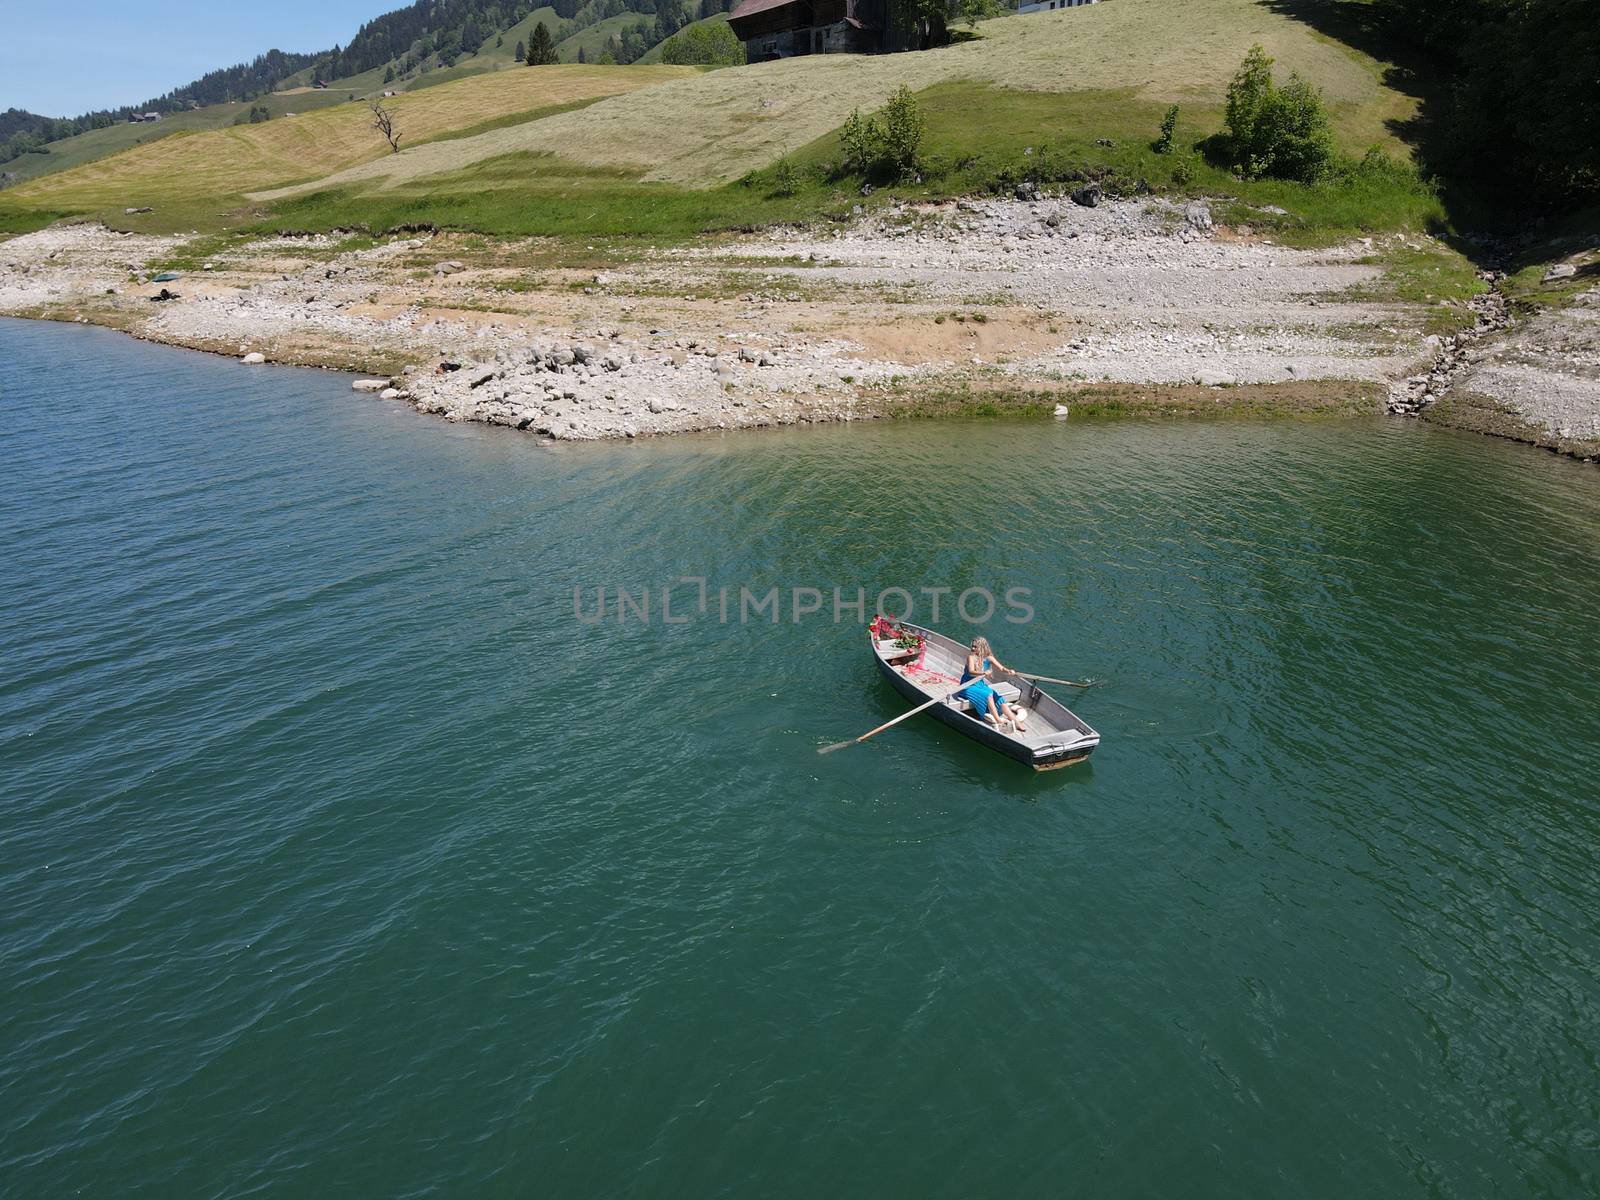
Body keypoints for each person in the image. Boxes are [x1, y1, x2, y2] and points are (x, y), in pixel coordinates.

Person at [959, 636, 1028, 733]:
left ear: (982, 647)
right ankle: (999, 721)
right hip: (968, 685)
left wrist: (1009, 671)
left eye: (975, 647)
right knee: (988, 694)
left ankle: (1016, 721)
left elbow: (1002, 668)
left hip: (980, 685)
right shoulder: (971, 657)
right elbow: (971, 672)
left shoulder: (989, 658)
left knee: (1000, 699)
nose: (972, 648)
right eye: (972, 646)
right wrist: (984, 673)